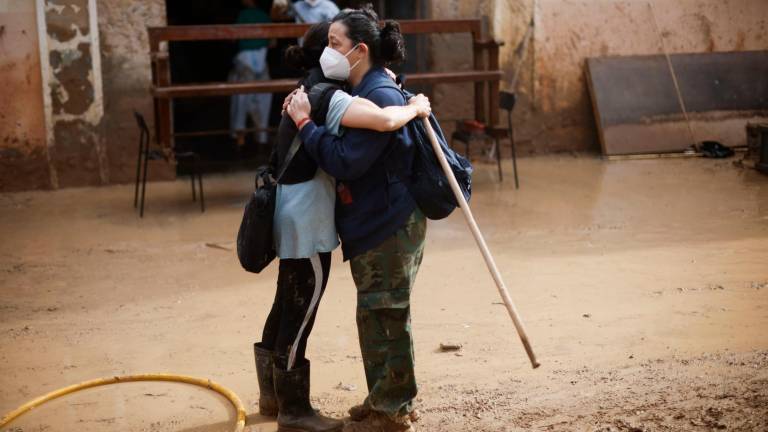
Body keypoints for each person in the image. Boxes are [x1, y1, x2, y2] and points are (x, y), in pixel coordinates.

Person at [254, 21, 431, 432]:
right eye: (330, 44)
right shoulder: (328, 96)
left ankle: (279, 399)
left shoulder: (315, 91)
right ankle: (293, 409)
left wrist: (395, 87)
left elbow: (377, 123)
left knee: (290, 306)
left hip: (298, 216)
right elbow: (383, 123)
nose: (333, 52)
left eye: (339, 44)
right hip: (307, 222)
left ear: (360, 51)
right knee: (300, 313)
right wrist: (415, 105)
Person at [230, 0, 273, 146]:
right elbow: (273, 42)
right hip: (262, 59)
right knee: (264, 97)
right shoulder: (264, 16)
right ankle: (262, 136)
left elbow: (233, 37)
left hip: (245, 60)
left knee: (241, 96)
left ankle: (239, 135)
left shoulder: (243, 14)